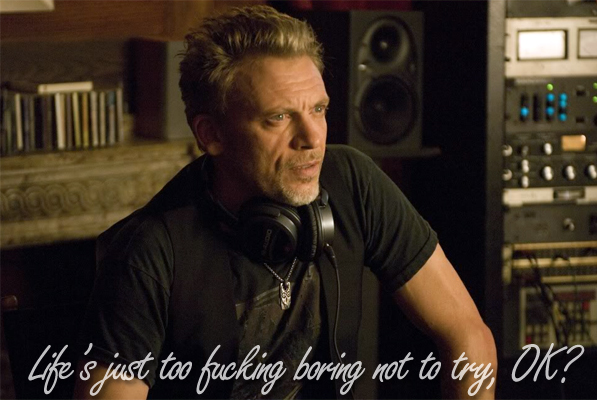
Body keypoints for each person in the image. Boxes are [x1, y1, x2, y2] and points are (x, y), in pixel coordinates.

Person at [73, 5, 496, 399]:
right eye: (278, 117)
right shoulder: (148, 252)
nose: (312, 138)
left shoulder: (353, 182)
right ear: (211, 135)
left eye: (319, 109)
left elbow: (468, 334)